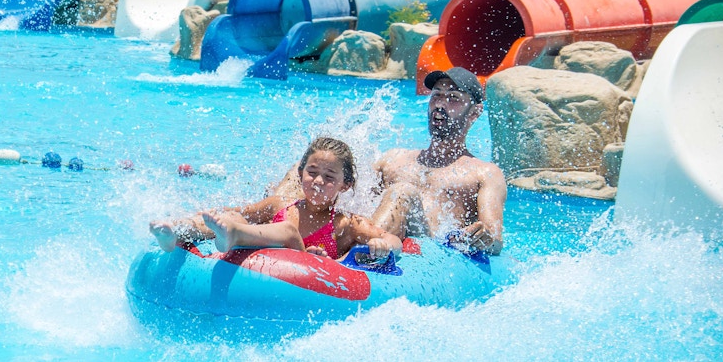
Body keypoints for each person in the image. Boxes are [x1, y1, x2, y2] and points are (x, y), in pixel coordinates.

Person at [150, 137, 403, 260]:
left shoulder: (345, 224)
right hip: (256, 264)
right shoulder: (281, 205)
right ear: (301, 172)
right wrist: (212, 217)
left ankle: (233, 235)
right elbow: (239, 212)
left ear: (345, 186)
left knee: (289, 233)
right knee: (234, 217)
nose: (317, 181)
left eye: (328, 177)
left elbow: (391, 239)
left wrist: (385, 245)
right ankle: (176, 231)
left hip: (307, 284)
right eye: (311, 172)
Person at [371, 67, 506, 255]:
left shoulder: (484, 173)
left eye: (453, 97)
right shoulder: (392, 160)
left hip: (432, 255)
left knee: (402, 191)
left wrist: (484, 236)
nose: (440, 104)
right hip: (384, 245)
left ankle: (363, 254)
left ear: (475, 113)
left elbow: (495, 240)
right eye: (436, 95)